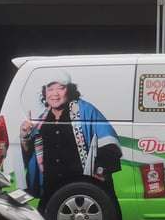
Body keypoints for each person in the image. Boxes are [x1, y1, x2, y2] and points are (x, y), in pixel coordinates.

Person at [19, 70, 122, 206]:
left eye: (61, 88)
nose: (55, 94)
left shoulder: (86, 110)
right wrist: (25, 136)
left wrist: (100, 169)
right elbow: (30, 155)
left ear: (70, 90)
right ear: (45, 93)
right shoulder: (41, 120)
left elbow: (109, 142)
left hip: (82, 186)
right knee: (44, 219)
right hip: (51, 189)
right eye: (50, 89)